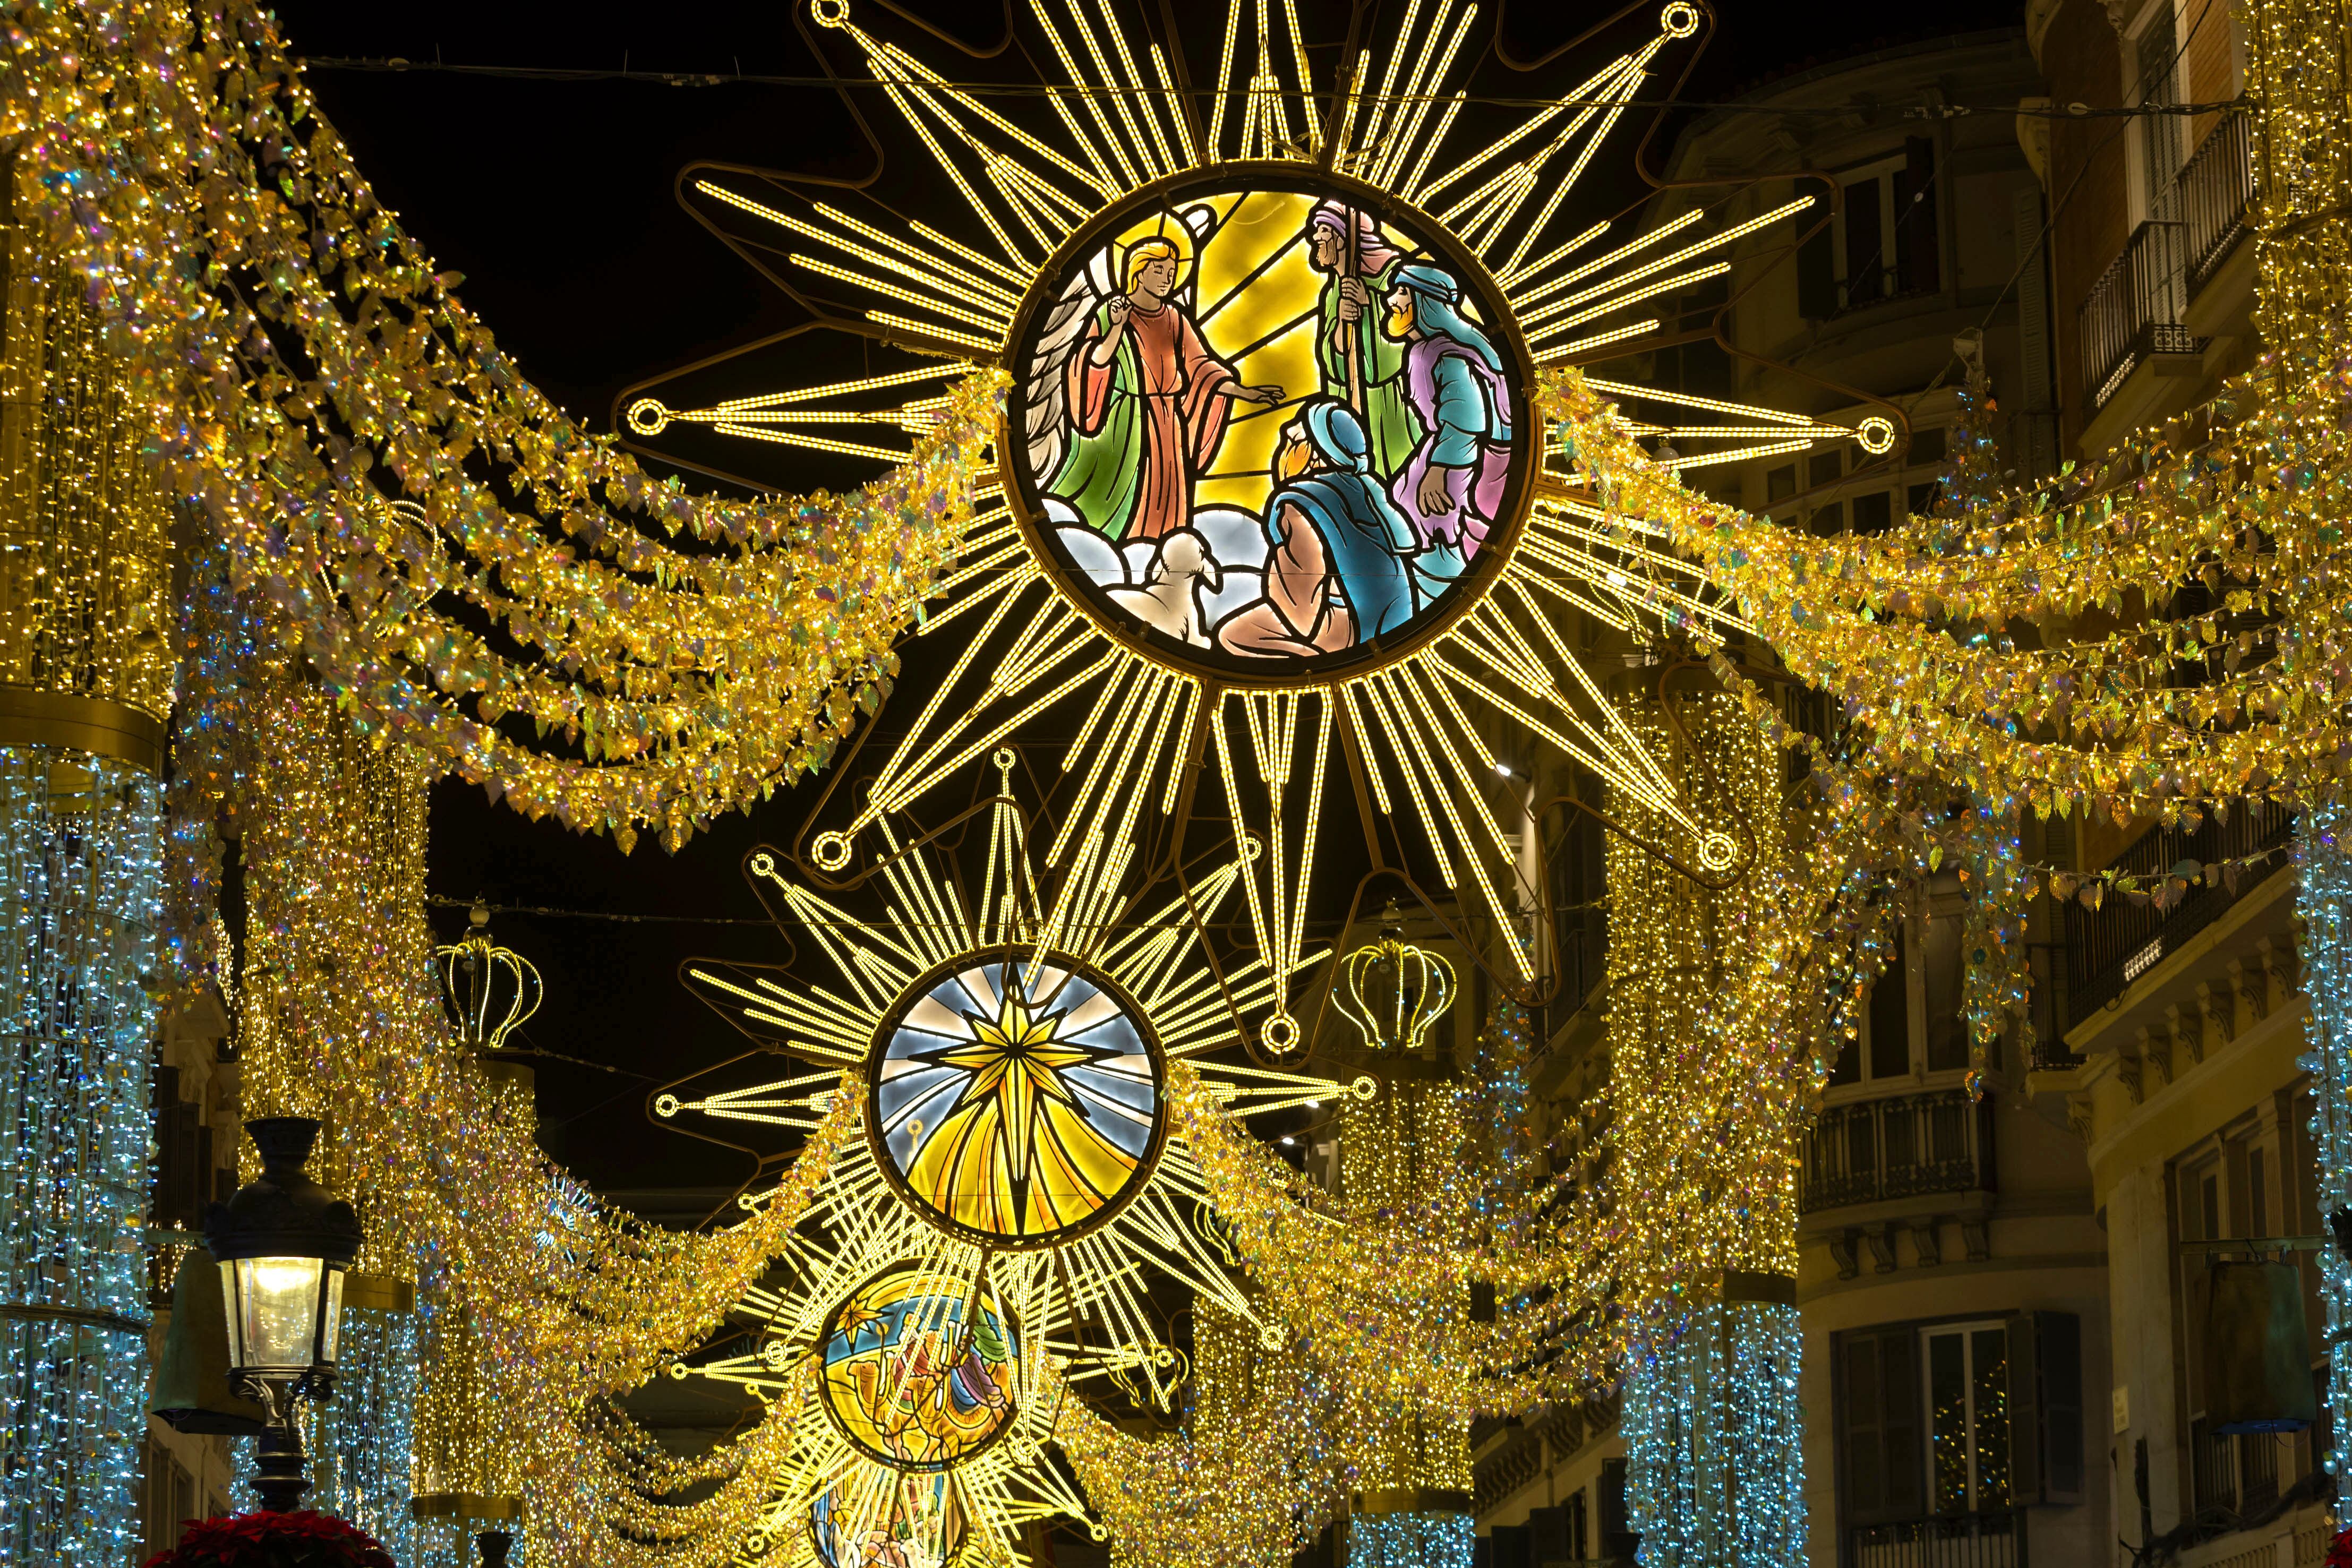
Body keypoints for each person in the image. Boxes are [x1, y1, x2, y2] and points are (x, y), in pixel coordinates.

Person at [1047, 234, 1282, 542]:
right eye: (1159, 271)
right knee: (1121, 499)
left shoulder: (1174, 317)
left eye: (1171, 273)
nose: (1166, 279)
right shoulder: (1112, 311)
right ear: (1138, 272)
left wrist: (1243, 392)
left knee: (1168, 498)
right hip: (1126, 421)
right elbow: (1093, 363)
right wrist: (1118, 326)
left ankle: (1161, 553)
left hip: (1168, 420)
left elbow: (1201, 366)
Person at [1214, 400, 1418, 658]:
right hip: (1395, 620)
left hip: (1353, 628)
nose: (1283, 452)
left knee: (1233, 636)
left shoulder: (1301, 503)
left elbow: (1300, 611)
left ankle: (1314, 665)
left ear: (1314, 452)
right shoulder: (1363, 489)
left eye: (1292, 441)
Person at [1379, 264, 1514, 600]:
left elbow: (1466, 417)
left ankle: (1432, 591)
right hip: (1446, 450)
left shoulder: (1446, 354)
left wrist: (1438, 470)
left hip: (1458, 456)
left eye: (1401, 293)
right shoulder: (1424, 351)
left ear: (1424, 304)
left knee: (1425, 514)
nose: (1390, 300)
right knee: (1405, 502)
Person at [1303, 202, 1417, 480]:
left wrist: (1370, 304)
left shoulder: (1391, 281)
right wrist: (1343, 321)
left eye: (1323, 233)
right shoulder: (1332, 293)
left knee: (1393, 473)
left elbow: (1397, 352)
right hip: (1346, 399)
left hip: (1387, 406)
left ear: (1342, 239)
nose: (1315, 240)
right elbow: (1332, 362)